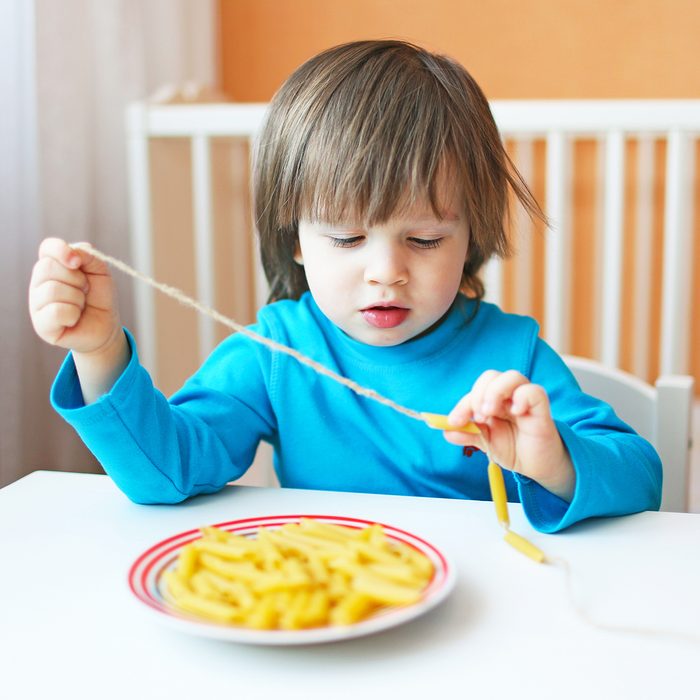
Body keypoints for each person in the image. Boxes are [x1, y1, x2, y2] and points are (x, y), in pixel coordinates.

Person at [28, 40, 661, 533]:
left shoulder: (511, 358)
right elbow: (165, 472)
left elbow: (641, 478)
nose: (385, 271)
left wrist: (552, 460)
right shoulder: (276, 352)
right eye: (347, 239)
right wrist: (99, 351)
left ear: (471, 238)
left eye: (424, 240)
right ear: (297, 240)